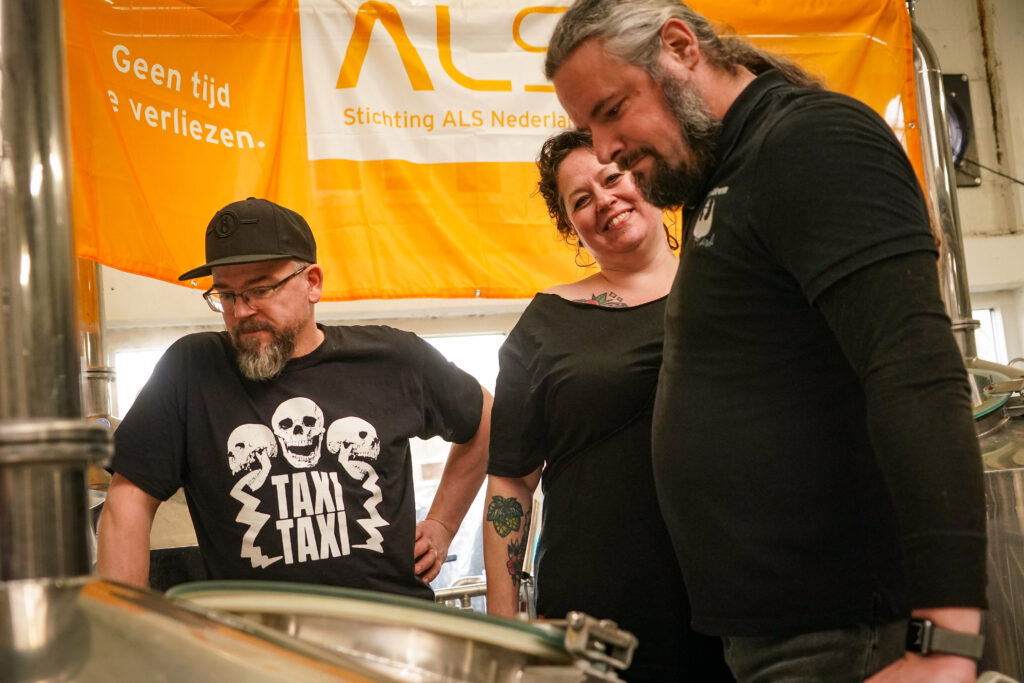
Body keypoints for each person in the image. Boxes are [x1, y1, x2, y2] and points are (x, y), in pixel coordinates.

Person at [545, 2, 988, 682]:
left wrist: (946, 639)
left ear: (679, 47)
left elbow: (915, 373)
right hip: (774, 633)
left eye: (612, 110)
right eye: (588, 129)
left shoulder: (811, 141)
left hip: (848, 630)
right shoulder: (724, 175)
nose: (605, 149)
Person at [97, 197, 492, 600]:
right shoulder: (191, 372)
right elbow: (127, 501)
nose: (241, 311)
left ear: (313, 283)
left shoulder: (391, 358)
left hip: (390, 624)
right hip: (258, 633)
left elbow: (485, 417)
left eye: (260, 289)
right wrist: (122, 621)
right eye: (226, 295)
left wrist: (443, 524)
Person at [484, 129, 733, 681]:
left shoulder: (729, 288)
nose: (603, 200)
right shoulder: (546, 322)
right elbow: (511, 480)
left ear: (647, 179)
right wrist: (503, 629)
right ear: (570, 227)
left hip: (731, 596)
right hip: (596, 609)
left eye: (613, 177)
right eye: (580, 200)